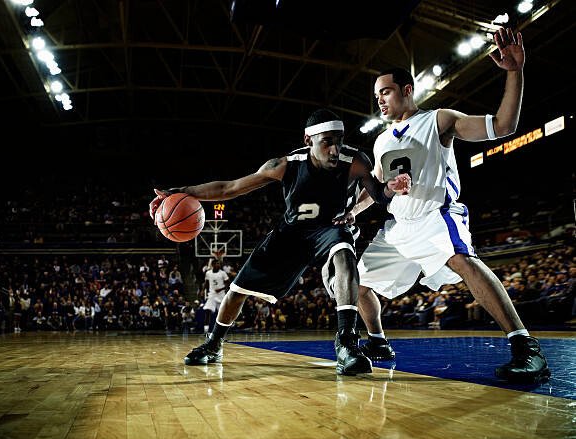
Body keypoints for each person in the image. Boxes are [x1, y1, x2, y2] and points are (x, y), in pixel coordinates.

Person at [348, 27, 549, 383]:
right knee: (358, 283)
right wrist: (349, 212)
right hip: (399, 226)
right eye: (376, 95)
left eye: (386, 92)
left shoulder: (438, 119)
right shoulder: (380, 141)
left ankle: (525, 347)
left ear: (407, 90)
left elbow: (504, 125)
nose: (379, 100)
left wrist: (514, 72)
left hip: (435, 215)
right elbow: (376, 188)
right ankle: (378, 342)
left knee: (463, 262)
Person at [149, 108, 410, 375]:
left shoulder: (355, 161)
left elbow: (378, 195)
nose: (334, 149)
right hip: (291, 234)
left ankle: (346, 343)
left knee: (344, 254)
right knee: (238, 290)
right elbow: (229, 188)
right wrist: (181, 192)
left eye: (338, 140)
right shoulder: (285, 165)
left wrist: (392, 187)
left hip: (330, 229)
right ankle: (214, 343)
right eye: (326, 142)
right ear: (308, 141)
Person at [202, 259, 230, 333]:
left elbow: (228, 284)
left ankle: (222, 331)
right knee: (207, 311)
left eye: (219, 264)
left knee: (222, 314)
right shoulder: (208, 273)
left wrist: (221, 289)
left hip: (221, 295)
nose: (219, 265)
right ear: (213, 265)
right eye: (217, 263)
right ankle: (206, 330)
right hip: (212, 295)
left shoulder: (223, 273)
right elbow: (206, 283)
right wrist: (202, 290)